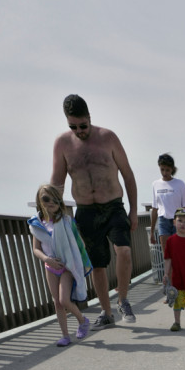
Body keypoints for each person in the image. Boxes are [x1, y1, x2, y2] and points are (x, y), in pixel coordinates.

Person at [51, 94, 138, 327]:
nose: (79, 130)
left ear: (90, 117)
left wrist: (133, 210)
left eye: (83, 125)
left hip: (113, 206)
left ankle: (122, 299)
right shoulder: (62, 144)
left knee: (125, 252)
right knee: (98, 265)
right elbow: (57, 184)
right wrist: (49, 216)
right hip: (86, 211)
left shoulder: (108, 137)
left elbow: (128, 175)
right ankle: (106, 312)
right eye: (73, 126)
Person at [28, 185, 92, 346]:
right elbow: (36, 248)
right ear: (39, 201)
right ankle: (65, 335)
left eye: (55, 200)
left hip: (67, 265)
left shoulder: (66, 221)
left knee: (64, 300)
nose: (51, 203)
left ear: (59, 203)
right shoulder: (37, 225)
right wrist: (46, 259)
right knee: (57, 302)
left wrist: (81, 260)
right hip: (50, 266)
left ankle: (82, 320)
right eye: (45, 199)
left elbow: (78, 243)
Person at [150, 154, 185, 253]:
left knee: (178, 252)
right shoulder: (155, 184)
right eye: (162, 169)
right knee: (167, 253)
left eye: (167, 170)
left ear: (172, 169)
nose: (164, 172)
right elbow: (154, 209)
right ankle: (168, 269)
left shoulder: (180, 184)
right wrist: (151, 232)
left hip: (177, 220)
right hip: (163, 221)